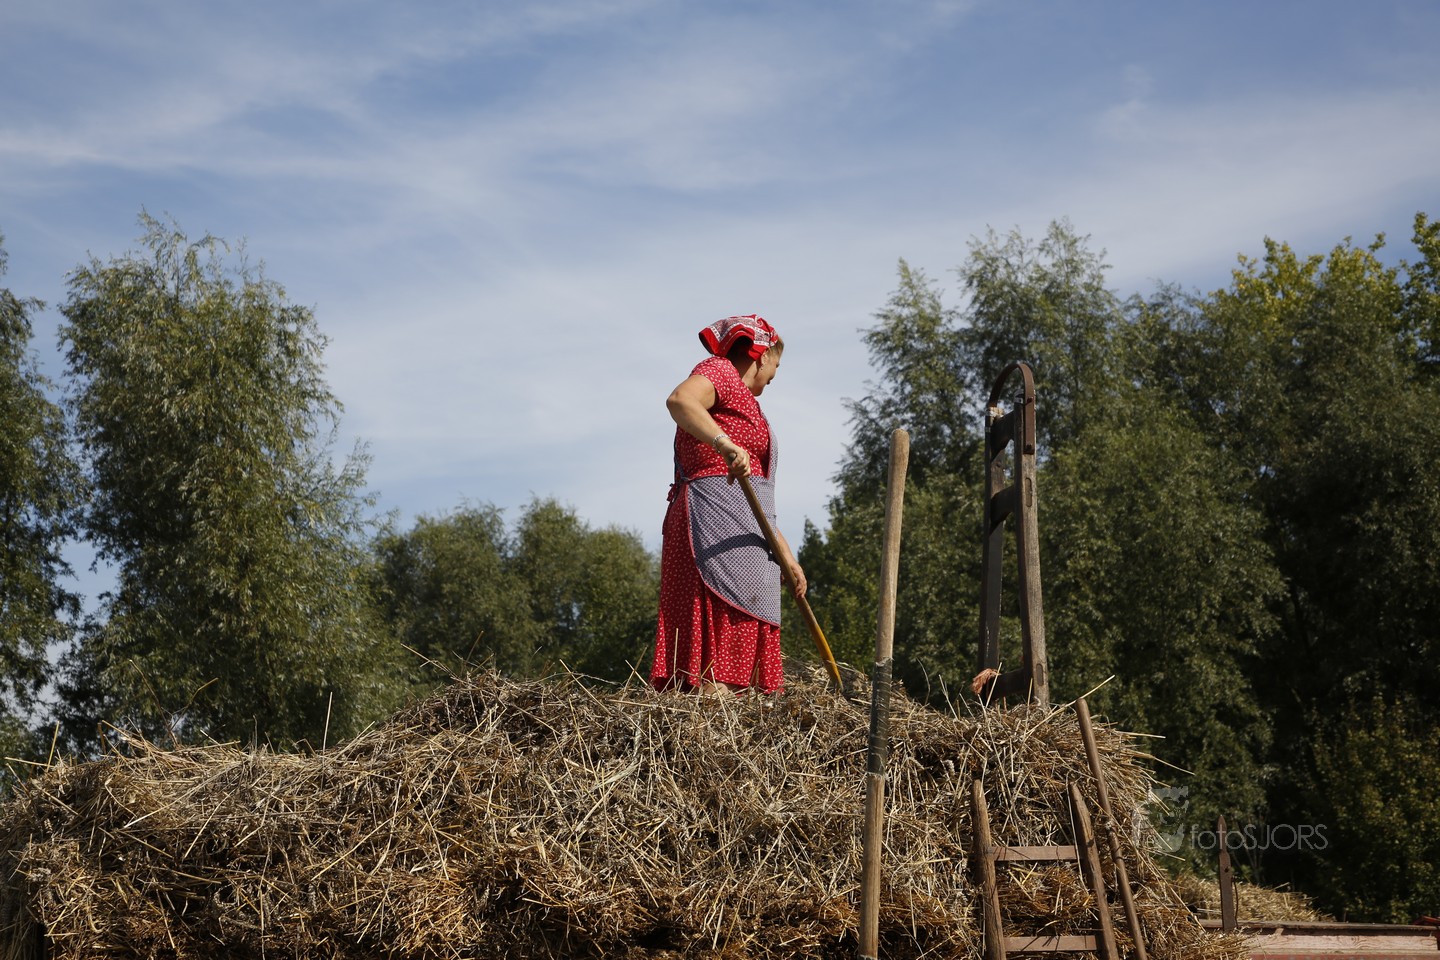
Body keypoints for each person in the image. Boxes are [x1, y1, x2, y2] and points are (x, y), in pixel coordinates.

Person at [649, 314, 806, 696]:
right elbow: (680, 400)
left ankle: (733, 719)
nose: (775, 376)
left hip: (742, 532)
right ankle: (712, 717)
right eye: (777, 365)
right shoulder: (720, 371)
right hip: (712, 528)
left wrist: (784, 553)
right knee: (716, 659)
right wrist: (724, 444)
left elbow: (752, 498)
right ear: (762, 355)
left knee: (743, 668)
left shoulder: (749, 404)